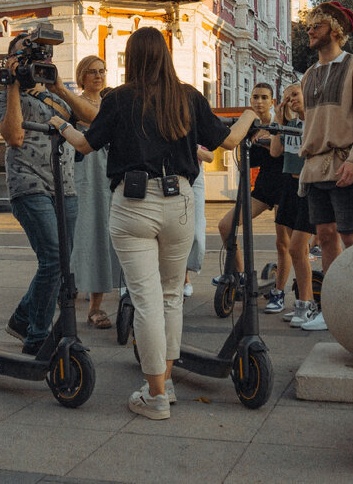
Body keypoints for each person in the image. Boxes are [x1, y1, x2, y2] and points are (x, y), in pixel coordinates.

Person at [55, 27, 258, 420]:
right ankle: (164, 383)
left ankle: (156, 395)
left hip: (132, 203)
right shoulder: (188, 97)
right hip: (179, 200)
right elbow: (229, 142)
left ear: (131, 58)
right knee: (170, 298)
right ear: (165, 56)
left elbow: (84, 144)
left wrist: (60, 124)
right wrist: (251, 112)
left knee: (145, 301)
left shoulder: (119, 99)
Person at [0, 28, 99, 355]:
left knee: (58, 263)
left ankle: (23, 317)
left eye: (42, 54)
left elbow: (94, 120)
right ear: (13, 60)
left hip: (64, 185)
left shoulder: (55, 95)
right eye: (28, 54)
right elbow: (13, 136)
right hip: (28, 185)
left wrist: (59, 89)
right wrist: (13, 84)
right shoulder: (3, 97)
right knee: (53, 258)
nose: (38, 60)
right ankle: (37, 336)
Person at [297, 1, 353, 332]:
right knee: (325, 235)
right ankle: (333, 308)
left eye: (315, 26)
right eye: (309, 26)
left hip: (343, 162)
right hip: (315, 166)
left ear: (334, 30)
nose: (309, 31)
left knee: (352, 236)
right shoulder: (309, 74)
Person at [212, 83, 291, 315]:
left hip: (285, 187)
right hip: (263, 188)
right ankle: (242, 275)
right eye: (255, 97)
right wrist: (251, 136)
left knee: (282, 242)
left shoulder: (282, 123)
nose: (259, 101)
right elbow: (247, 158)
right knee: (226, 225)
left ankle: (279, 292)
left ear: (272, 101)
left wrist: (272, 137)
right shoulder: (249, 125)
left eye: (264, 97)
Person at [69, 55, 121, 330]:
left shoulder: (112, 104)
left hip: (106, 174)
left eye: (102, 70)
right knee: (77, 233)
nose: (98, 76)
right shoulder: (72, 104)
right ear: (82, 76)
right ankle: (70, 287)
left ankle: (95, 306)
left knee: (101, 235)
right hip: (80, 173)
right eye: (92, 72)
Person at [269, 84, 317, 327]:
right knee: (296, 250)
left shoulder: (316, 121)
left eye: (295, 95)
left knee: (299, 248)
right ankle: (302, 302)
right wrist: (279, 122)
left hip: (308, 187)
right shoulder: (291, 125)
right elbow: (275, 152)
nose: (290, 100)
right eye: (287, 97)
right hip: (288, 186)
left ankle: (306, 304)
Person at [183, 146, 214, 297]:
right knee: (174, 231)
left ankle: (185, 274)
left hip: (195, 173)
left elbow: (210, 157)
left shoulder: (197, 123)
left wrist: (189, 146)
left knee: (197, 234)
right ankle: (182, 279)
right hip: (170, 171)